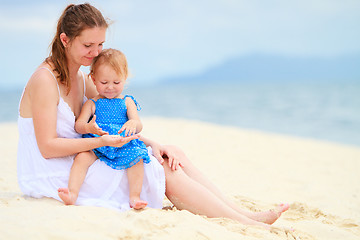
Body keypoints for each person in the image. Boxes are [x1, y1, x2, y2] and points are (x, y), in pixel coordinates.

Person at [17, 3, 289, 229]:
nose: (96, 53)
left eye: (100, 44)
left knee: (170, 154)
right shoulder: (44, 80)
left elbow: (112, 121)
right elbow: (47, 147)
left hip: (87, 153)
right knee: (157, 170)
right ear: (65, 40)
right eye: (88, 45)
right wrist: (103, 143)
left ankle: (243, 214)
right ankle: (250, 225)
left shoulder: (82, 77)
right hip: (57, 172)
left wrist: (150, 142)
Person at [58, 48, 150, 210]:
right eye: (104, 82)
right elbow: (78, 126)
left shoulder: (127, 101)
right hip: (97, 144)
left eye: (116, 82)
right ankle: (72, 193)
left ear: (124, 78)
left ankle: (134, 197)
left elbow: (138, 123)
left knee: (137, 159)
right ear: (93, 79)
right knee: (82, 158)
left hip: (122, 143)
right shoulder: (92, 103)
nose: (110, 87)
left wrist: (132, 124)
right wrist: (88, 126)